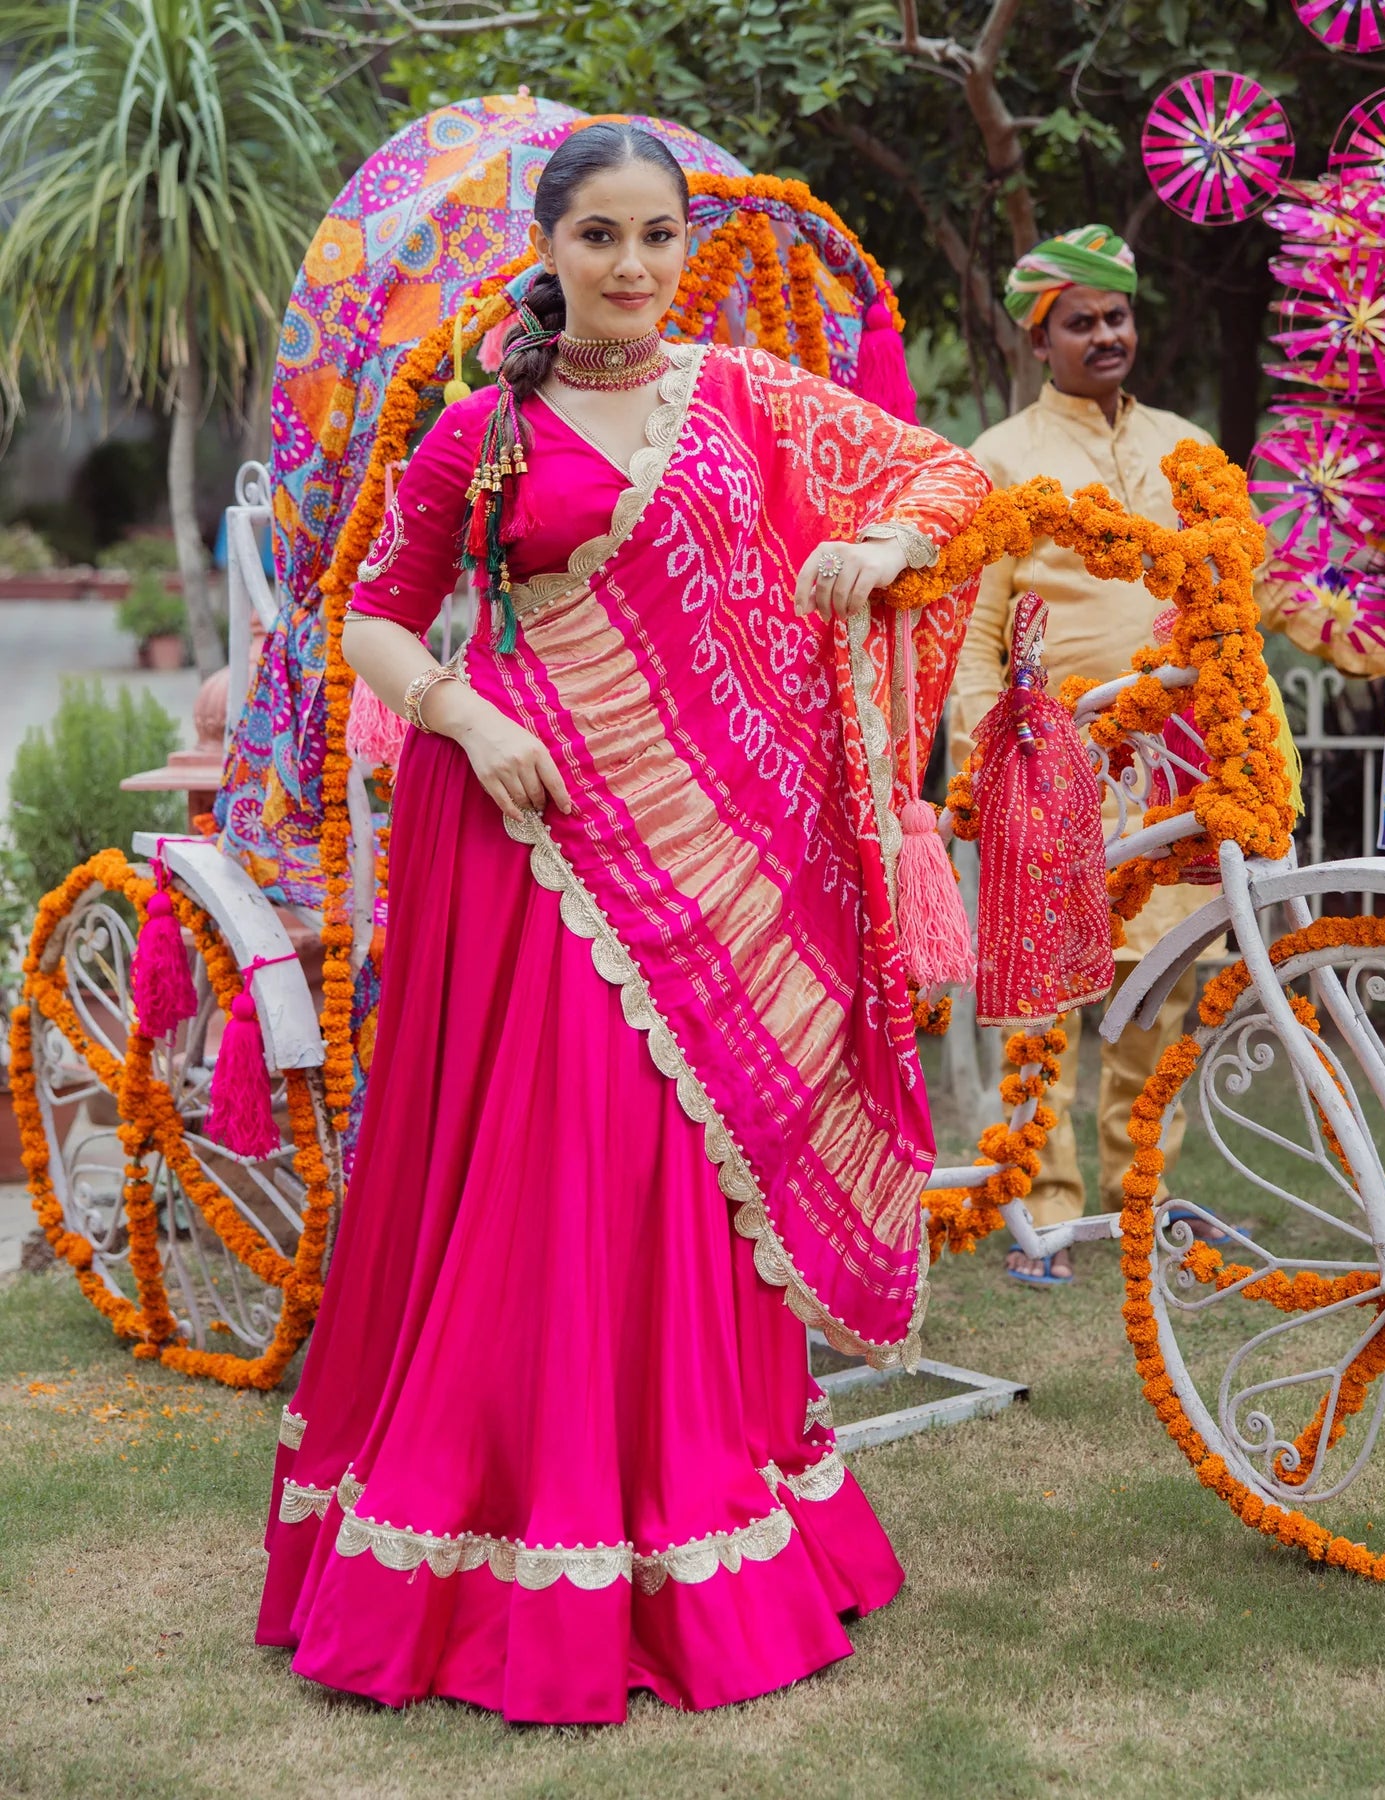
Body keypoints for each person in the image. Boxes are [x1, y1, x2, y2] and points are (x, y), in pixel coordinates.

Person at [255, 123, 990, 1723]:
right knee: (557, 1165)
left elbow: (943, 472)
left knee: (685, 1169)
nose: (636, 267)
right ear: (550, 245)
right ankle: (517, 1519)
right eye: (601, 237)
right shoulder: (479, 432)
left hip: (720, 856)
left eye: (659, 236)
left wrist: (888, 546)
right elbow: (369, 622)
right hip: (529, 840)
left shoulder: (743, 395)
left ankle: (702, 1496)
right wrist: (461, 715)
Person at [949, 225, 1309, 1285]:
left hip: (1178, 755)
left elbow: (1234, 594)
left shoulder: (1183, 444)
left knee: (1159, 982)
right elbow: (973, 625)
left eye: (1115, 316)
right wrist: (982, 749)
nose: (1105, 335)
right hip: (1054, 754)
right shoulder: (1000, 459)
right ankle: (1043, 1206)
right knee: (1043, 987)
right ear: (1038, 339)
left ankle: (1141, 1188)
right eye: (1080, 322)